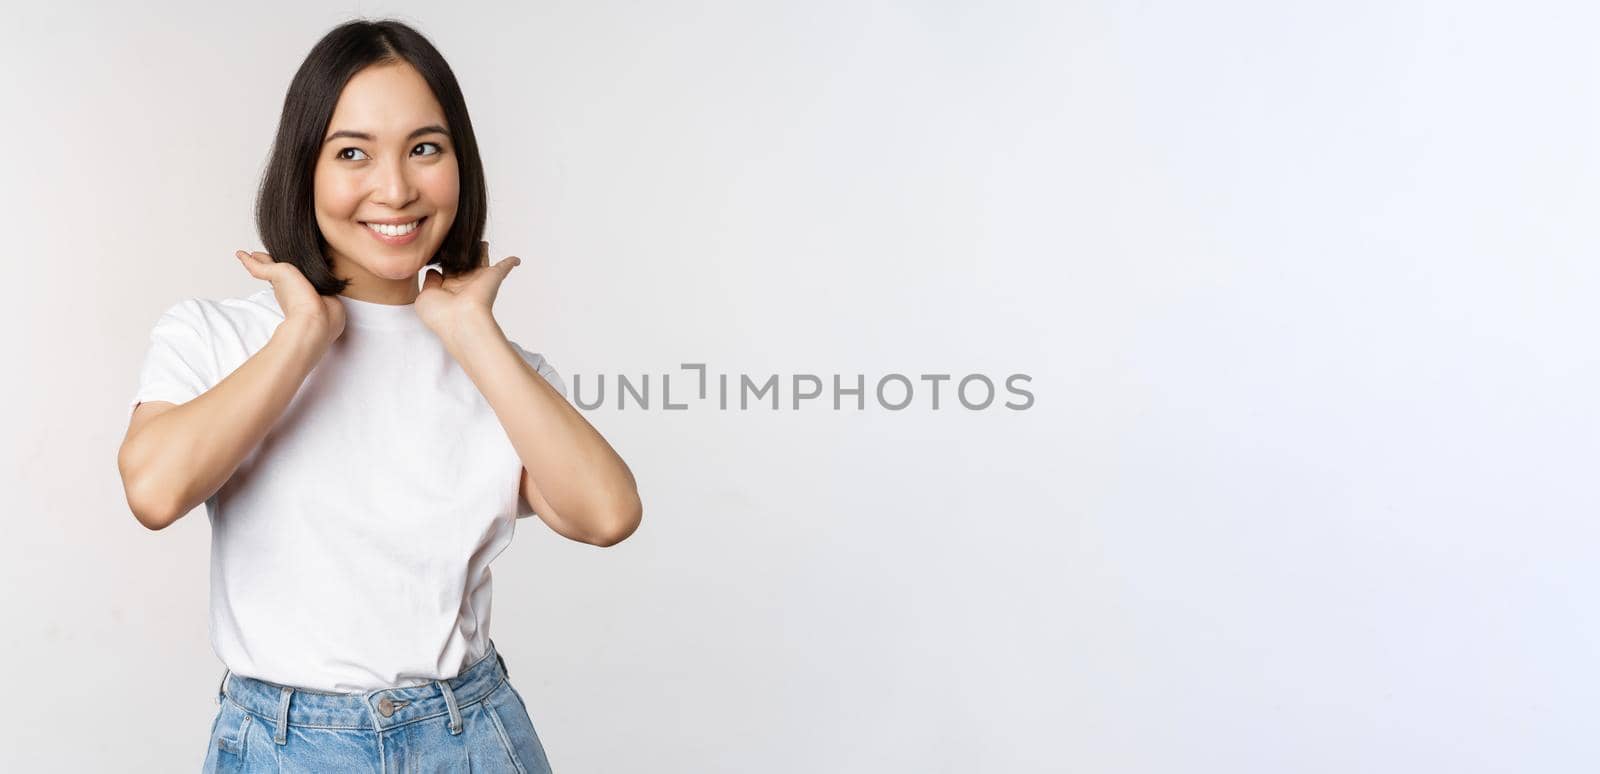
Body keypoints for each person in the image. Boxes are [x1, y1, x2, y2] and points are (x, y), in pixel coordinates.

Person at [115, 18, 643, 773]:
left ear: (461, 164)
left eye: (425, 149)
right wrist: (303, 335)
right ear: (305, 168)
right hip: (282, 746)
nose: (394, 188)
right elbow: (155, 490)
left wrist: (470, 332)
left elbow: (608, 513)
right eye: (352, 153)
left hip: (470, 738)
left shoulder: (496, 366)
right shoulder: (216, 336)